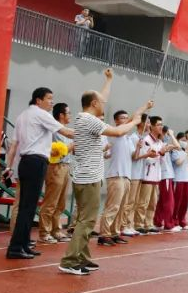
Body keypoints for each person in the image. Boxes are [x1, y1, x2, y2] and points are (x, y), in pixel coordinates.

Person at [59, 69, 150, 276]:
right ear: (93, 104)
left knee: (86, 219)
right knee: (87, 221)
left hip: (86, 176)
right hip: (88, 177)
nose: (104, 104)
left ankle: (82, 257)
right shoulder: (89, 120)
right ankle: (70, 260)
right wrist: (135, 121)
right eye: (101, 102)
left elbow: (102, 97)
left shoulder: (84, 117)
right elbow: (118, 131)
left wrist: (109, 80)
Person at [6, 87, 75, 259]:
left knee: (26, 207)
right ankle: (16, 248)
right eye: (49, 98)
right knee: (27, 208)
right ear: (38, 100)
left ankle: (22, 244)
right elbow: (66, 132)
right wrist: (90, 132)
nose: (52, 102)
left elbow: (14, 145)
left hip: (25, 162)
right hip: (36, 161)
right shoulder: (41, 114)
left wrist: (8, 167)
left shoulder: (22, 116)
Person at [38, 102, 73, 244]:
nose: (70, 115)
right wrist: (71, 146)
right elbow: (57, 151)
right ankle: (44, 232)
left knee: (61, 202)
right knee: (51, 201)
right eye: (68, 113)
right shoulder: (54, 130)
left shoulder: (67, 131)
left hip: (66, 167)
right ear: (61, 115)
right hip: (55, 167)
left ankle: (56, 230)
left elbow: (70, 149)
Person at [97, 110, 134, 246]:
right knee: (113, 206)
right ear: (116, 121)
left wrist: (140, 149)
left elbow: (134, 156)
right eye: (122, 118)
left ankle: (115, 232)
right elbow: (107, 153)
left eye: (126, 118)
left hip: (127, 175)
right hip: (115, 175)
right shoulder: (113, 133)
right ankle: (104, 234)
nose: (125, 120)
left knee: (122, 207)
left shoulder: (128, 138)